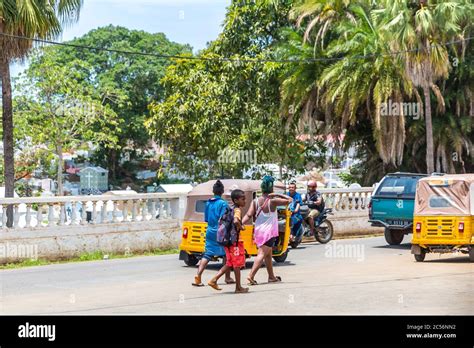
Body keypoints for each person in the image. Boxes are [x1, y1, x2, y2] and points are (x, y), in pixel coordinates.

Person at [242, 176, 292, 285]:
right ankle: (251, 276)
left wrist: (240, 223)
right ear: (271, 188)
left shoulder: (255, 201)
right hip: (269, 232)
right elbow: (289, 200)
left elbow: (249, 215)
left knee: (268, 254)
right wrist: (276, 195)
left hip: (259, 231)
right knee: (262, 254)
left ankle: (271, 277)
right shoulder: (273, 201)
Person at [192, 180, 234, 287]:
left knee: (207, 254)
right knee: (226, 254)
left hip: (210, 230)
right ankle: (227, 277)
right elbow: (223, 219)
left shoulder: (208, 202)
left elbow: (206, 219)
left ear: (213, 191)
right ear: (222, 191)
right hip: (220, 231)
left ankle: (198, 277)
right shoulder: (223, 203)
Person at [208, 189, 249, 293]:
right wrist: (241, 227)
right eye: (242, 199)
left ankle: (214, 280)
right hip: (234, 242)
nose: (245, 201)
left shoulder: (229, 208)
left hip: (227, 240)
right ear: (236, 200)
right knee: (237, 264)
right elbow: (236, 221)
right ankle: (238, 287)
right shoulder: (237, 210)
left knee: (230, 263)